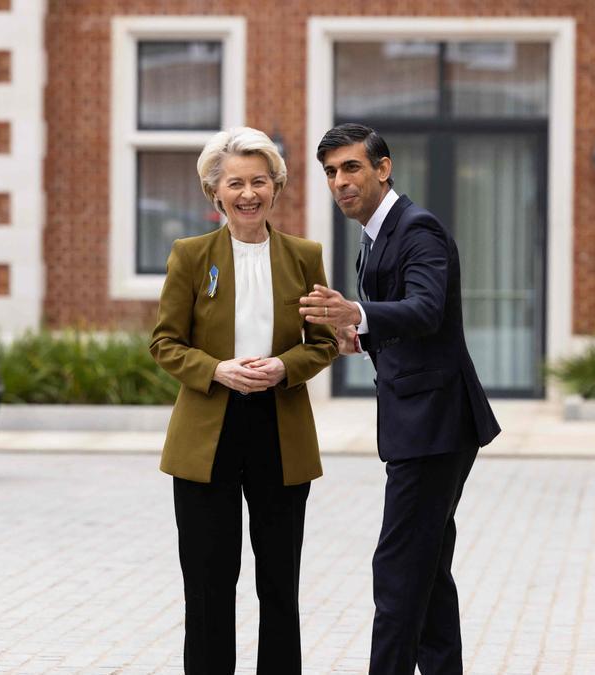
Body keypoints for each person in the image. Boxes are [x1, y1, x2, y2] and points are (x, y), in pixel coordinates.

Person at [300, 123, 501, 674]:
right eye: (331, 172)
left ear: (383, 168)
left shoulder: (418, 230)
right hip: (422, 423)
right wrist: (358, 338)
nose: (340, 182)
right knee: (427, 570)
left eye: (351, 168)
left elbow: (426, 309)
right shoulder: (374, 236)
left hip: (436, 426)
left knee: (397, 569)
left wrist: (357, 313)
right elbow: (410, 327)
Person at [149, 126, 338, 674]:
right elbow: (164, 343)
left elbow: (323, 343)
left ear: (276, 188)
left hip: (281, 434)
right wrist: (217, 370)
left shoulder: (305, 256)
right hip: (206, 437)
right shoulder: (189, 255)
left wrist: (283, 366)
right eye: (236, 183)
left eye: (259, 181)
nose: (248, 193)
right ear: (216, 192)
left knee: (280, 583)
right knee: (208, 585)